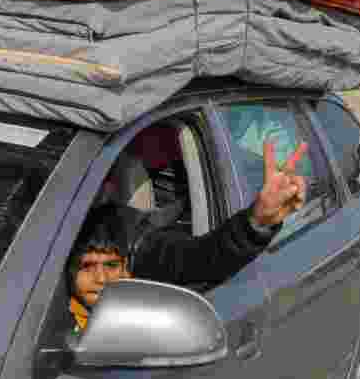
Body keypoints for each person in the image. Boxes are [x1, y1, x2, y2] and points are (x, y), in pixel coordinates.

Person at [65, 136, 307, 335]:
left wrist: (257, 220)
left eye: (111, 266)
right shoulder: (48, 270)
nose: (100, 278)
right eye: (87, 266)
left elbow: (200, 258)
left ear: (129, 268)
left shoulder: (130, 242)